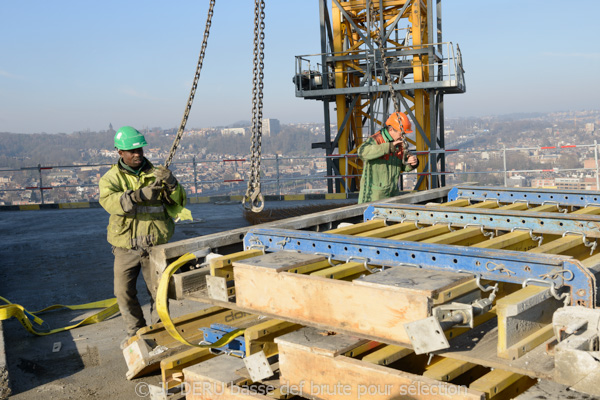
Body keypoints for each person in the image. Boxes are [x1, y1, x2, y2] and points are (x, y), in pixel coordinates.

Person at [99, 126, 192, 349]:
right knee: (123, 292)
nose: (137, 154)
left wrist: (172, 184)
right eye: (131, 151)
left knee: (159, 293)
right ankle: (136, 333)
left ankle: (160, 332)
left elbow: (179, 202)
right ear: (119, 152)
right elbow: (109, 202)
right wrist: (138, 195)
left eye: (139, 149)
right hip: (125, 247)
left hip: (155, 245)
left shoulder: (157, 174)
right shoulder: (110, 178)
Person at [357, 112, 419, 203]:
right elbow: (362, 152)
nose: (402, 136)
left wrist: (411, 163)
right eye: (401, 133)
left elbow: (401, 166)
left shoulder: (399, 143)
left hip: (392, 194)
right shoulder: (376, 139)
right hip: (374, 196)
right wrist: (388, 147)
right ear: (391, 130)